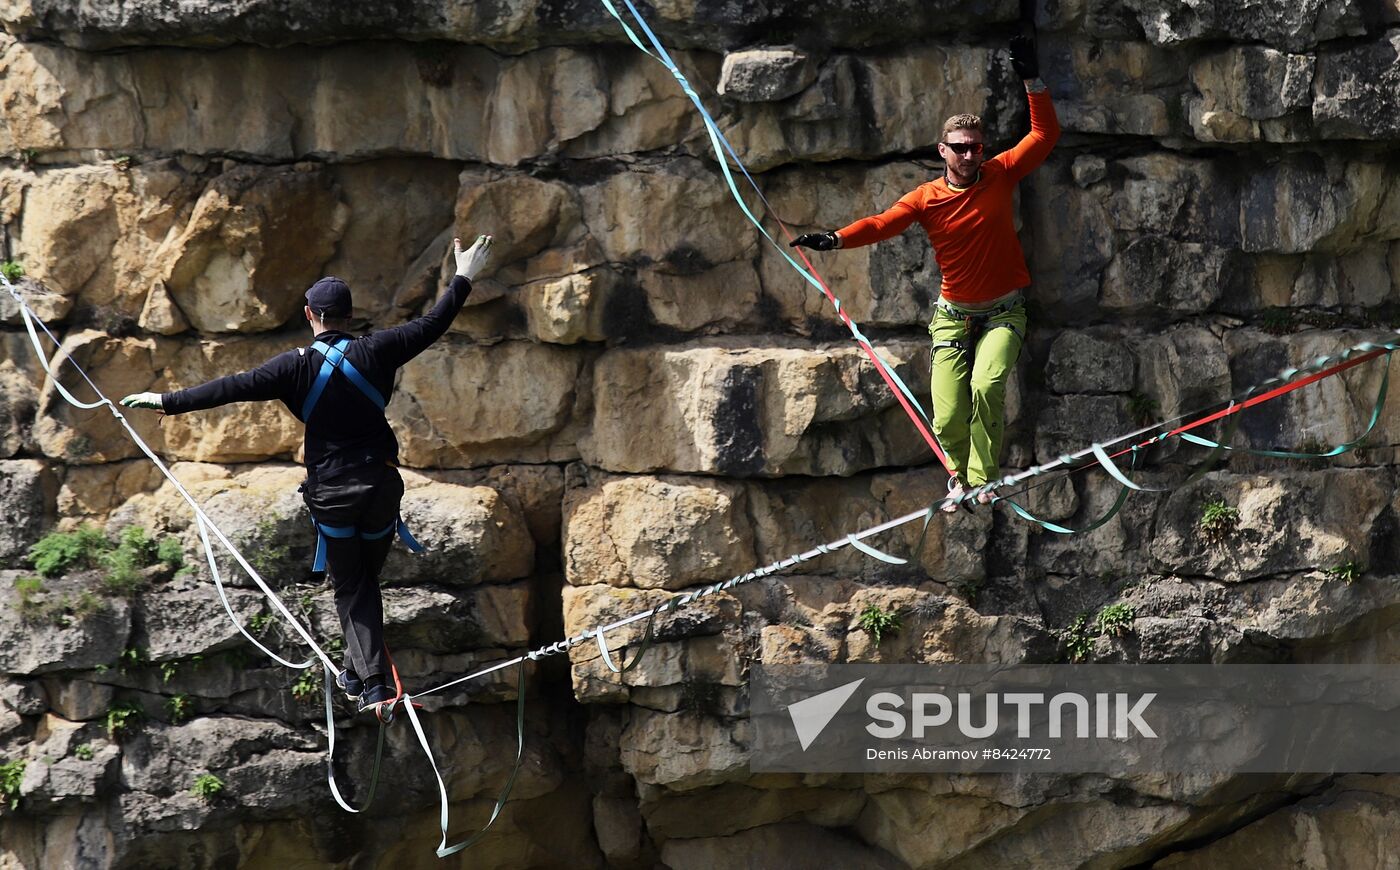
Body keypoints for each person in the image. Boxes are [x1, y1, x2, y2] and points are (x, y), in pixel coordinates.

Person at [121, 234, 494, 713]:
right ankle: (359, 675)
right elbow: (433, 322)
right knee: (362, 582)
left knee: (353, 586)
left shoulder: (290, 367)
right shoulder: (379, 349)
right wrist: (464, 276)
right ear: (350, 315)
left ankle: (374, 687)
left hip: (334, 493)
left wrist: (165, 401)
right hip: (381, 487)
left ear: (308, 316)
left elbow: (228, 388)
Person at [791, 36, 1059, 512]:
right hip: (954, 316)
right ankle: (959, 480)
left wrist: (1032, 82)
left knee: (987, 386)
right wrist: (833, 239)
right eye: (960, 148)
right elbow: (880, 224)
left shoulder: (1000, 173)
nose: (971, 155)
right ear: (943, 150)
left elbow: (1043, 137)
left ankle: (983, 479)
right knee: (949, 415)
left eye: (976, 147)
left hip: (1003, 312)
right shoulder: (925, 198)